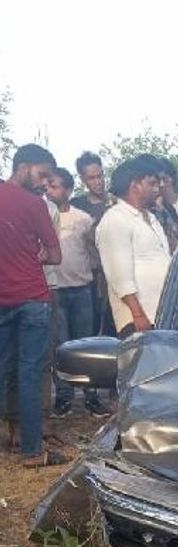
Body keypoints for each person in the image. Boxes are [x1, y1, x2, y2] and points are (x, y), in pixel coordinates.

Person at [0, 144, 67, 467]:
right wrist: (36, 254)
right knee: (29, 373)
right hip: (33, 298)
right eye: (42, 175)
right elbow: (55, 256)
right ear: (23, 166)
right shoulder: (34, 204)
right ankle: (32, 452)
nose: (43, 184)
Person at [46, 168, 111, 417]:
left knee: (86, 345)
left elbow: (95, 250)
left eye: (55, 186)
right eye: (48, 186)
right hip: (55, 290)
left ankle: (91, 396)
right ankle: (64, 397)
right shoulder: (43, 215)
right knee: (61, 346)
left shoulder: (83, 219)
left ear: (68, 190)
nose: (49, 191)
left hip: (82, 289)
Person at [96, 155, 171, 336]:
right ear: (135, 185)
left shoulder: (150, 218)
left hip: (161, 314)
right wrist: (138, 315)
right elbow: (119, 276)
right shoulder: (115, 219)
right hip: (139, 319)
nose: (157, 189)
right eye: (152, 183)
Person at [72, 151, 114, 334]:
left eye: (100, 176)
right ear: (83, 180)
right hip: (90, 277)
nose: (98, 182)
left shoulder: (117, 201)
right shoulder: (76, 206)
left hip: (115, 272)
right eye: (92, 178)